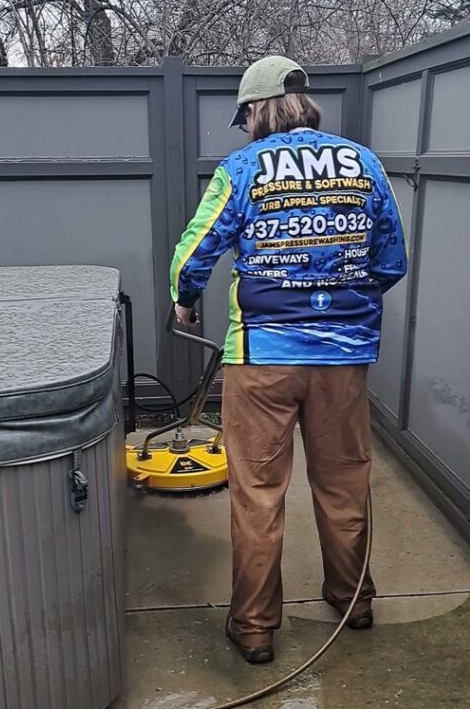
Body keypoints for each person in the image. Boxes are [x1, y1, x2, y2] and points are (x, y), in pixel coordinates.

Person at [170, 55, 407, 664]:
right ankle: (353, 602)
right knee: (345, 483)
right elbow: (391, 260)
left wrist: (185, 301)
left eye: (244, 115)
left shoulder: (242, 167)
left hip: (262, 359)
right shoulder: (364, 163)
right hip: (344, 360)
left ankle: (253, 628)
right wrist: (346, 307)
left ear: (256, 110)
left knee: (258, 493)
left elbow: (195, 250)